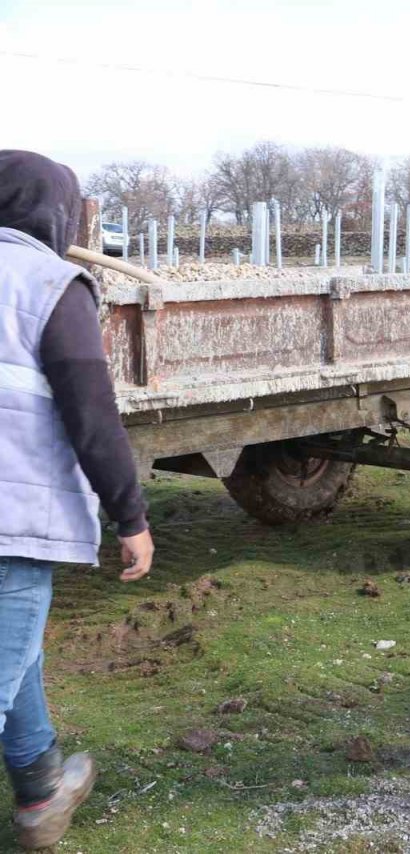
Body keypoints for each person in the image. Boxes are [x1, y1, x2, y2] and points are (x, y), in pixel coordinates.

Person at [0, 150, 155, 849]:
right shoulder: (51, 283)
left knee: (17, 656)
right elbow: (92, 417)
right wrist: (130, 515)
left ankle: (41, 795)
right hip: (12, 520)